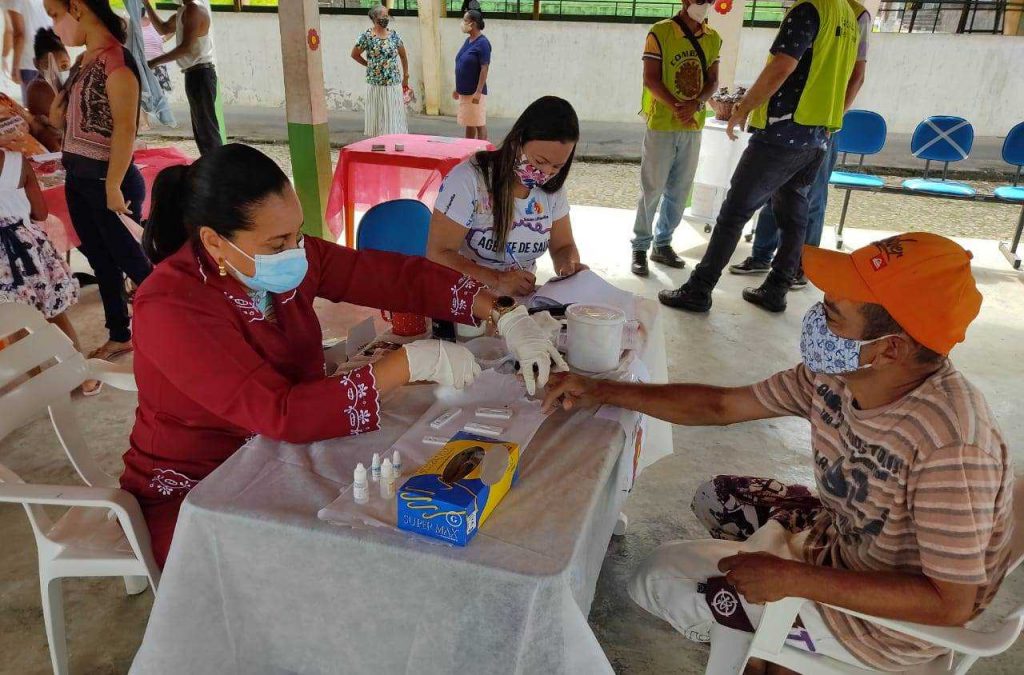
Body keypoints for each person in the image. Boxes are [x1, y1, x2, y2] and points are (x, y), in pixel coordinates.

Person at [544, 233, 1013, 671]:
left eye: (832, 314)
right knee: (719, 497)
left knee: (657, 578)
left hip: (884, 623)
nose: (816, 321)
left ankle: (770, 650)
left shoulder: (951, 445)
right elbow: (722, 404)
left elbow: (950, 603)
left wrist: (794, 581)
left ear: (889, 349)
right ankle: (774, 634)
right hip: (842, 543)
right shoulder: (837, 374)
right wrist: (600, 389)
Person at [120, 144, 566, 567]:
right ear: (215, 242)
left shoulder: (278, 262)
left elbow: (394, 278)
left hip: (283, 455)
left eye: (298, 233)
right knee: (340, 558)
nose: (296, 251)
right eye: (277, 244)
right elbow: (281, 412)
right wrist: (409, 363)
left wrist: (502, 312)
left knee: (401, 522)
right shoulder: (171, 306)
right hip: (199, 490)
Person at [659, 0, 860, 314]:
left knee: (734, 211)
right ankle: (777, 288)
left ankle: (700, 287)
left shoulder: (809, 9)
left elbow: (781, 66)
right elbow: (849, 76)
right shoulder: (847, 15)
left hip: (784, 132)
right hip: (816, 135)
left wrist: (744, 107)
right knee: (794, 212)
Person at [730, 0, 871, 288]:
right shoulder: (815, 7)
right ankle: (763, 258)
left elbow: (856, 76)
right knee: (779, 198)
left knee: (808, 200)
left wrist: (835, 118)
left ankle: (800, 267)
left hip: (818, 126)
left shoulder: (855, 14)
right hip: (799, 123)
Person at [45, 0, 152, 361]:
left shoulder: (116, 62)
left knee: (137, 264)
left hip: (109, 179)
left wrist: (112, 187)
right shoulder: (84, 61)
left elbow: (126, 129)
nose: (56, 27)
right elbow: (63, 120)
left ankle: (179, 329)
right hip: (78, 177)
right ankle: (120, 334)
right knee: (102, 263)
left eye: (55, 15)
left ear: (76, 8)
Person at [427, 96, 584, 298]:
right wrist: (497, 279)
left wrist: (568, 267)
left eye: (557, 166)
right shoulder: (468, 180)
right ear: (517, 141)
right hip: (469, 301)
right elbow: (438, 253)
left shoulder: (552, 190)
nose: (545, 173)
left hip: (522, 302)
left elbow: (563, 246)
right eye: (540, 161)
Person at [632, 0, 721, 277]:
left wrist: (696, 104)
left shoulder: (713, 38)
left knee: (680, 190)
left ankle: (663, 243)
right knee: (652, 188)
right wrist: (677, 107)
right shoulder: (661, 32)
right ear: (685, 1)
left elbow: (713, 81)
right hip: (662, 124)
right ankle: (640, 247)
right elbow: (651, 79)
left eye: (710, 0)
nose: (705, 4)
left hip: (692, 126)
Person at [0, 150, 100, 393]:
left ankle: (40, 383)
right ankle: (81, 375)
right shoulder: (16, 161)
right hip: (28, 249)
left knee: (14, 323)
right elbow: (40, 213)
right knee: (55, 312)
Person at [142, 0, 222, 155]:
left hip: (201, 74)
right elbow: (163, 29)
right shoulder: (184, 11)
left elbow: (186, 47)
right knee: (202, 128)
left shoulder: (194, 10)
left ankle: (217, 170)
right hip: (194, 74)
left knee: (207, 129)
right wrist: (147, 5)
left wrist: (153, 62)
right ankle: (211, 166)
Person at [351, 4, 409, 137]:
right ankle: (378, 145)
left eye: (387, 15)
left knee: (394, 118)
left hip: (393, 83)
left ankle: (394, 143)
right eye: (384, 16)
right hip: (375, 84)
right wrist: (369, 65)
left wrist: (406, 75)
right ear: (375, 18)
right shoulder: (366, 36)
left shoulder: (394, 35)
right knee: (377, 118)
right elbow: (354, 54)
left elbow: (403, 56)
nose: (386, 18)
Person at [2, 0, 50, 102]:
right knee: (48, 104)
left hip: (29, 61)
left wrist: (14, 66)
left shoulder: (12, 2)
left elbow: (19, 34)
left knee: (32, 107)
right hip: (49, 56)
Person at [453, 9, 490, 141]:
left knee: (479, 123)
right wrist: (457, 88)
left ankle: (482, 152)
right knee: (469, 122)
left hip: (475, 92)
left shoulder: (483, 43)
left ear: (473, 24)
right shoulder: (469, 40)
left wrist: (478, 91)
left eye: (465, 20)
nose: (463, 23)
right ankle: (468, 150)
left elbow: (484, 67)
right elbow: (461, 62)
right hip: (465, 91)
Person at [24, 27, 67, 136]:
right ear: (36, 64)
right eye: (48, 65)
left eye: (63, 66)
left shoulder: (62, 83)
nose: (55, 72)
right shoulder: (39, 88)